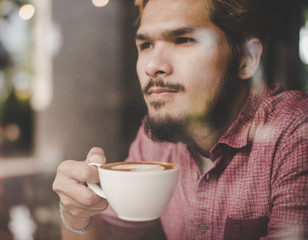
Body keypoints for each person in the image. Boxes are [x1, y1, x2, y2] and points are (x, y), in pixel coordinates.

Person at [53, 0, 308, 239]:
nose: (152, 66)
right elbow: (106, 232)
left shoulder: (295, 131)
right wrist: (77, 214)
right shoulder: (156, 139)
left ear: (246, 58)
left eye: (183, 39)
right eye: (145, 45)